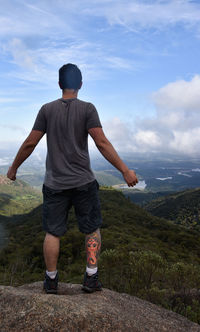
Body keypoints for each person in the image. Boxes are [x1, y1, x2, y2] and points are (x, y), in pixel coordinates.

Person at [7, 63, 138, 294]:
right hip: (83, 183)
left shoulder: (46, 110)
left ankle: (51, 280)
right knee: (92, 229)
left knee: (52, 232)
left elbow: (30, 143)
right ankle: (90, 277)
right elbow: (102, 142)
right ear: (80, 85)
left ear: (59, 85)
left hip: (54, 184)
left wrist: (13, 168)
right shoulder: (88, 109)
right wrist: (124, 170)